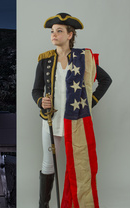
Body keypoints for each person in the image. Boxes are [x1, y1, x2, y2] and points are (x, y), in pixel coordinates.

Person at [31, 13, 112, 208]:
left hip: (75, 121)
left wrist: (89, 102)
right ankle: (43, 205)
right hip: (51, 121)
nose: (54, 35)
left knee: (77, 166)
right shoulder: (44, 60)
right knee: (48, 164)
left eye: (59, 31)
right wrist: (41, 101)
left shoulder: (83, 59)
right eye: (52, 31)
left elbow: (106, 80)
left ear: (70, 35)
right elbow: (35, 90)